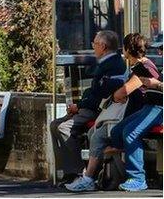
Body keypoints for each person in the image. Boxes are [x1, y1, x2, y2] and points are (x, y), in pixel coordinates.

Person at [66, 33, 160, 191]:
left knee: (126, 133)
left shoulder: (144, 66)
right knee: (113, 132)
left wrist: (119, 94)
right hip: (140, 110)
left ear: (127, 49)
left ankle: (136, 177)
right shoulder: (136, 67)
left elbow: (121, 92)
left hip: (153, 108)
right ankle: (98, 172)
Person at [49, 30, 127, 184]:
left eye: (95, 44)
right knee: (54, 125)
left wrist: (78, 106)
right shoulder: (106, 63)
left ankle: (77, 172)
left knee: (64, 128)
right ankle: (66, 170)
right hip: (90, 106)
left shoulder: (113, 65)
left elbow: (101, 95)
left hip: (100, 110)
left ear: (103, 46)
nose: (93, 47)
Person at [107, 35, 163, 192]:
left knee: (131, 133)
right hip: (150, 105)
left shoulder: (149, 65)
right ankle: (123, 153)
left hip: (160, 108)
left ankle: (137, 178)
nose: (160, 52)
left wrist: (156, 84)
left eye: (162, 49)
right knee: (118, 131)